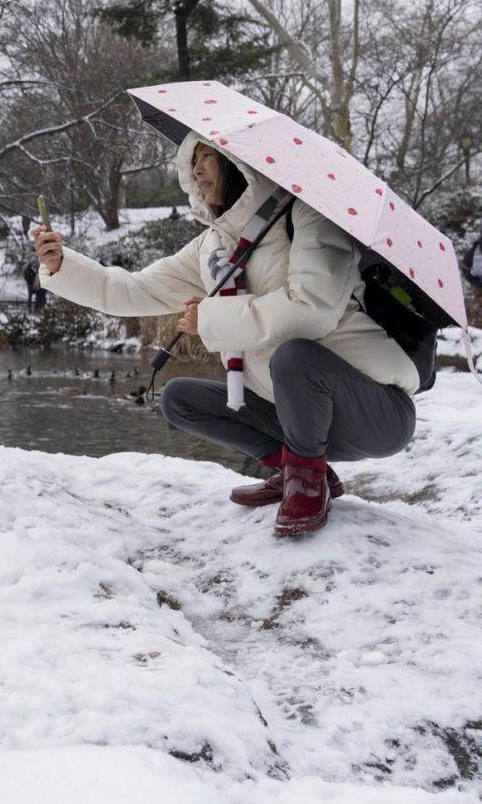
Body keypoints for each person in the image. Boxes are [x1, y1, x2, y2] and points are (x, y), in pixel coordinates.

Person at [31, 134, 419, 538]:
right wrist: (63, 265)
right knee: (180, 398)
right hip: (298, 416)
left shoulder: (305, 216)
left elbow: (312, 309)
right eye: (192, 162)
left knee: (295, 356)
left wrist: (210, 319)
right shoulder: (213, 246)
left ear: (240, 164)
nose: (195, 171)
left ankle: (307, 487)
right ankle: (298, 470)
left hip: (375, 414)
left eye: (207, 158)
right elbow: (131, 289)